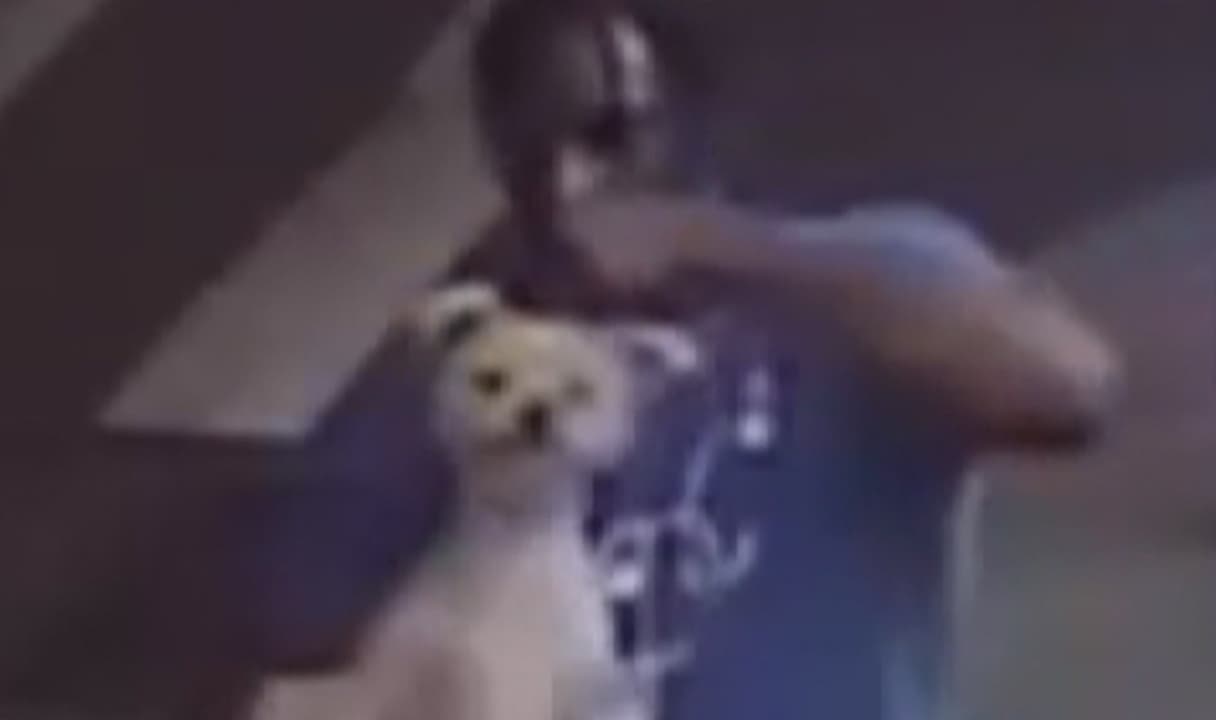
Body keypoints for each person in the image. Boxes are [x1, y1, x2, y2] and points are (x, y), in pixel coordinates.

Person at [255, 1, 1120, 718]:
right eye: (533, 147)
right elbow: (304, 619)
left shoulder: (852, 276)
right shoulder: (473, 357)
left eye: (608, 136)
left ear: (693, 124)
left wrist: (712, 245)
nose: (571, 183)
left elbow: (1067, 389)